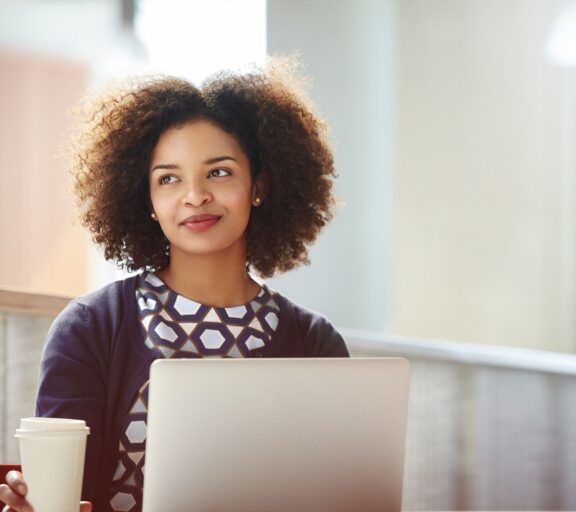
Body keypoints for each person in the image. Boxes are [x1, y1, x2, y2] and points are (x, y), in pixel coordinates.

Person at [0, 58, 348, 512]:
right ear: (146, 198)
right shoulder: (90, 329)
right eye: (168, 178)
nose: (195, 195)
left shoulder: (314, 343)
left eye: (219, 172)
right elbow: (63, 495)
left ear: (258, 186)